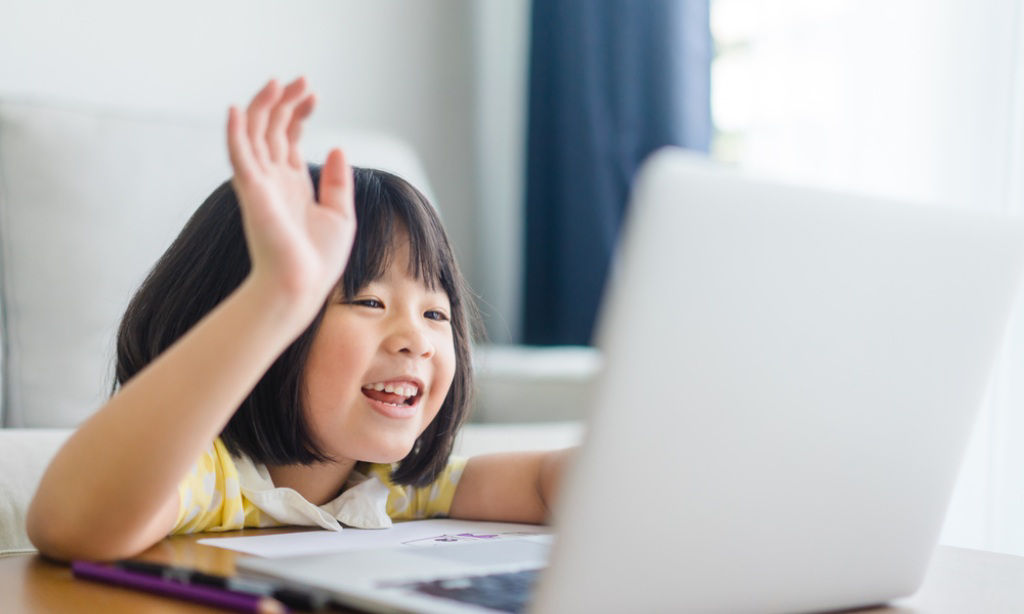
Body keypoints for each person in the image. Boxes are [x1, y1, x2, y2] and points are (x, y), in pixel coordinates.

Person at [27, 77, 571, 562]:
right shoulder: (212, 477)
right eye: (369, 302)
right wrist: (276, 295)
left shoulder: (393, 485)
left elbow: (551, 485)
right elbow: (71, 526)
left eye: (436, 313)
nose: (418, 341)